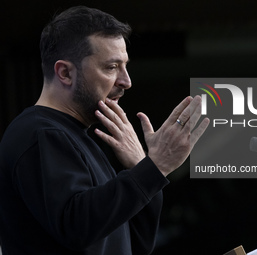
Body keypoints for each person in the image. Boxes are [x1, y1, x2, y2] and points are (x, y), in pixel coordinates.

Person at [0, 5, 209, 255]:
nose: (126, 81)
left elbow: (136, 244)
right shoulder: (41, 133)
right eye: (111, 67)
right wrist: (155, 167)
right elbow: (77, 227)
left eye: (125, 66)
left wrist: (141, 168)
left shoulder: (78, 137)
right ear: (65, 72)